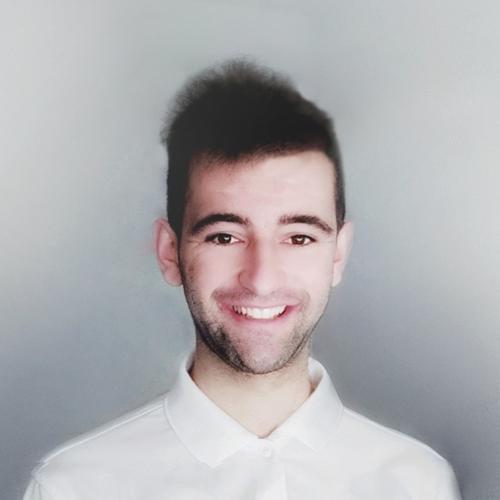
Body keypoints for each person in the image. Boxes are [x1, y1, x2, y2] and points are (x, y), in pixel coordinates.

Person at [23, 59, 462, 499]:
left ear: (338, 255)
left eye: (299, 237)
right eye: (225, 236)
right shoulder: (75, 488)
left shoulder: (418, 484)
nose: (261, 279)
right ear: (169, 252)